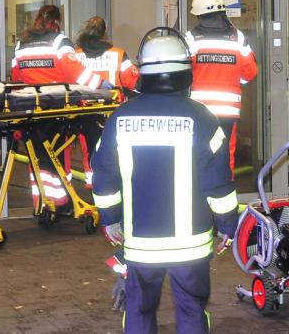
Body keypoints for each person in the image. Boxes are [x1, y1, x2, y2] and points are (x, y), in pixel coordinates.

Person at [92, 27, 238, 334]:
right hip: (191, 247)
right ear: (186, 71)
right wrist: (227, 225)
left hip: (140, 245)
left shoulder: (121, 118)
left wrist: (110, 219)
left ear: (144, 72)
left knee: (139, 311)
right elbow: (218, 183)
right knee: (191, 311)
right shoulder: (203, 118)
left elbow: (104, 175)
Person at [11, 5, 110, 215]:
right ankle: (62, 202)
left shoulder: (21, 44)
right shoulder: (59, 42)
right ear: (56, 22)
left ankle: (45, 204)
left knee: (39, 158)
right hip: (57, 107)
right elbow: (75, 72)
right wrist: (101, 84)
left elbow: (16, 77)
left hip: (31, 107)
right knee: (56, 153)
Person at [184, 0, 259, 177]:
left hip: (199, 111)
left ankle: (200, 199)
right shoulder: (238, 37)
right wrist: (234, 79)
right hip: (228, 111)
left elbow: (183, 73)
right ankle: (225, 199)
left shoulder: (191, 38)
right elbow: (250, 73)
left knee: (198, 155)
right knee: (225, 157)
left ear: (199, 14)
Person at [71, 16, 140, 188]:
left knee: (89, 149)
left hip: (83, 112)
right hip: (112, 113)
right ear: (105, 33)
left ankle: (93, 183)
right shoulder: (118, 54)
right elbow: (133, 82)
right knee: (112, 151)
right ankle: (112, 184)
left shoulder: (76, 55)